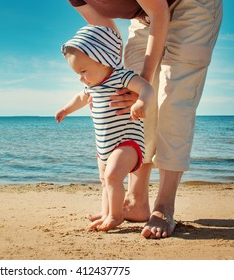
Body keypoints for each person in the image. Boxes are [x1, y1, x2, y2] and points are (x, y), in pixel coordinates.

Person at [67, 0, 223, 238]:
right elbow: (108, 35)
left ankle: (164, 207)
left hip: (192, 4)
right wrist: (116, 81)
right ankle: (136, 200)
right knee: (127, 99)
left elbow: (159, 13)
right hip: (145, 15)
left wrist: (142, 85)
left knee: (172, 100)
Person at [56, 25, 154, 231]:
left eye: (83, 71)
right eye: (77, 73)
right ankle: (107, 211)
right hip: (104, 144)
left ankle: (116, 216)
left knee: (112, 176)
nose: (81, 77)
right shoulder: (92, 86)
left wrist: (141, 103)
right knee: (105, 180)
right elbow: (80, 97)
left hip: (128, 141)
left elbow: (146, 87)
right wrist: (66, 109)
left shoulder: (122, 77)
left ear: (104, 60)